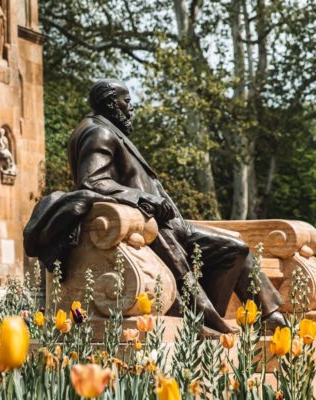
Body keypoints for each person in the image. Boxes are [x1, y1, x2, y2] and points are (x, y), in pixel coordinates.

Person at [24, 79, 285, 333]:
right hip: (152, 228)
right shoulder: (98, 131)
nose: (131, 107)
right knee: (233, 248)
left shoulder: (106, 129)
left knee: (234, 246)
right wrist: (141, 197)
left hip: (166, 225)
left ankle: (232, 318)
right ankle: (252, 318)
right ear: (111, 104)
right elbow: (92, 180)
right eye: (126, 102)